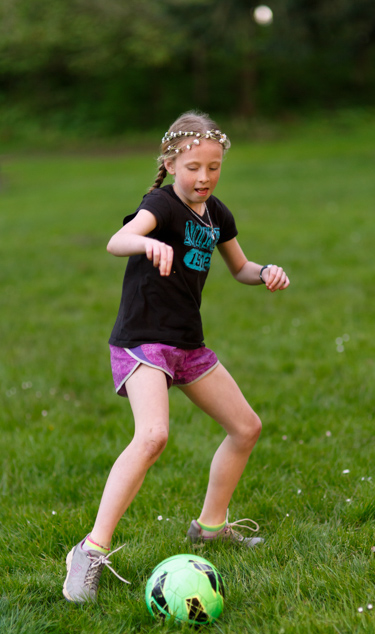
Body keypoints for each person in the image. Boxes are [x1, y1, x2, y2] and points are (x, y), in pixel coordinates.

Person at [62, 111, 289, 604]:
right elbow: (116, 240)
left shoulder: (218, 215)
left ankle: (210, 527)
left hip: (187, 344)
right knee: (153, 435)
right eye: (193, 167)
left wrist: (266, 271)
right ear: (171, 162)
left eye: (213, 167)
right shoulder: (159, 205)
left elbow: (240, 267)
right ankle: (89, 551)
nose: (204, 177)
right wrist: (146, 243)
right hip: (143, 340)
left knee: (246, 428)